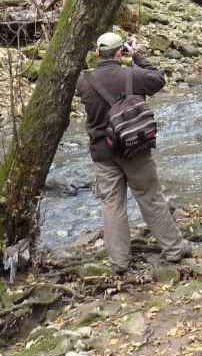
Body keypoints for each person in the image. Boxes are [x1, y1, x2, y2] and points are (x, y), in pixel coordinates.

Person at [75, 32, 191, 273]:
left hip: (102, 152)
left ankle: (119, 262)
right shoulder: (133, 75)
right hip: (134, 148)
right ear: (121, 52)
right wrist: (137, 55)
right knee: (150, 197)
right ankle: (174, 249)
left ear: (97, 53)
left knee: (112, 204)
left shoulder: (84, 82)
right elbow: (158, 79)